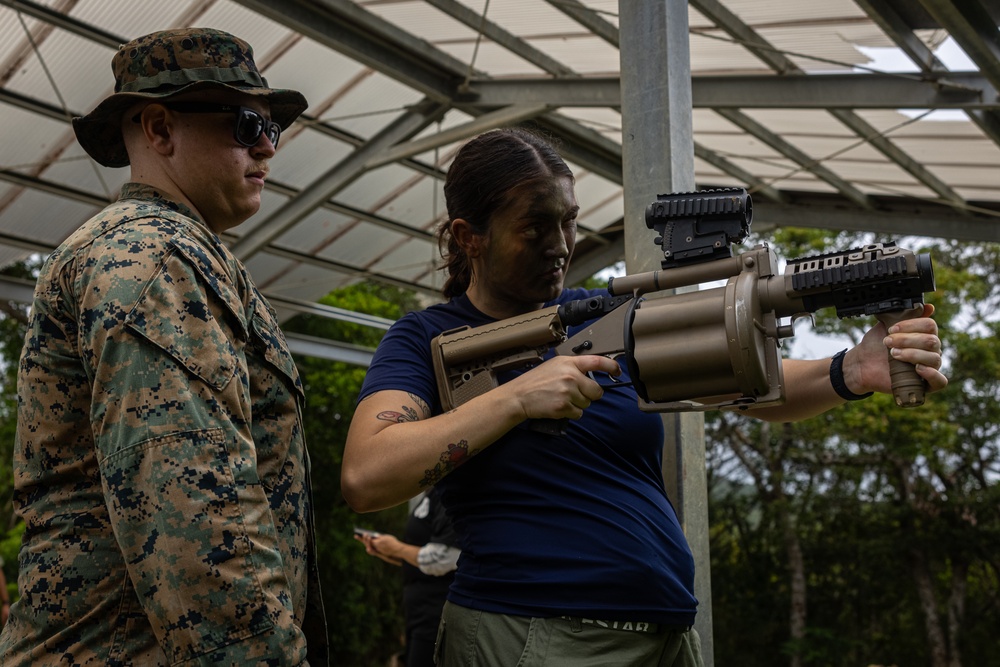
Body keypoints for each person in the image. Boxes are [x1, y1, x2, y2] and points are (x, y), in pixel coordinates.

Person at [341, 127, 948, 667]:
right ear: (468, 236)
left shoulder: (597, 316)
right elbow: (368, 475)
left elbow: (750, 385)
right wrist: (517, 398)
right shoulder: (426, 338)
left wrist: (854, 369)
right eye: (535, 225)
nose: (560, 244)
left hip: (665, 633)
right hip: (532, 633)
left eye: (569, 221)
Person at [0, 28, 328, 665]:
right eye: (245, 123)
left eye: (271, 127)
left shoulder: (174, 253)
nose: (267, 145)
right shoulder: (155, 257)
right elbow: (198, 520)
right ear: (157, 129)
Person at [355, 488, 461, 667]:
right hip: (416, 612)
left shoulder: (448, 494)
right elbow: (420, 558)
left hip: (435, 613)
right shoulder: (430, 493)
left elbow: (445, 558)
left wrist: (397, 548)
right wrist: (387, 552)